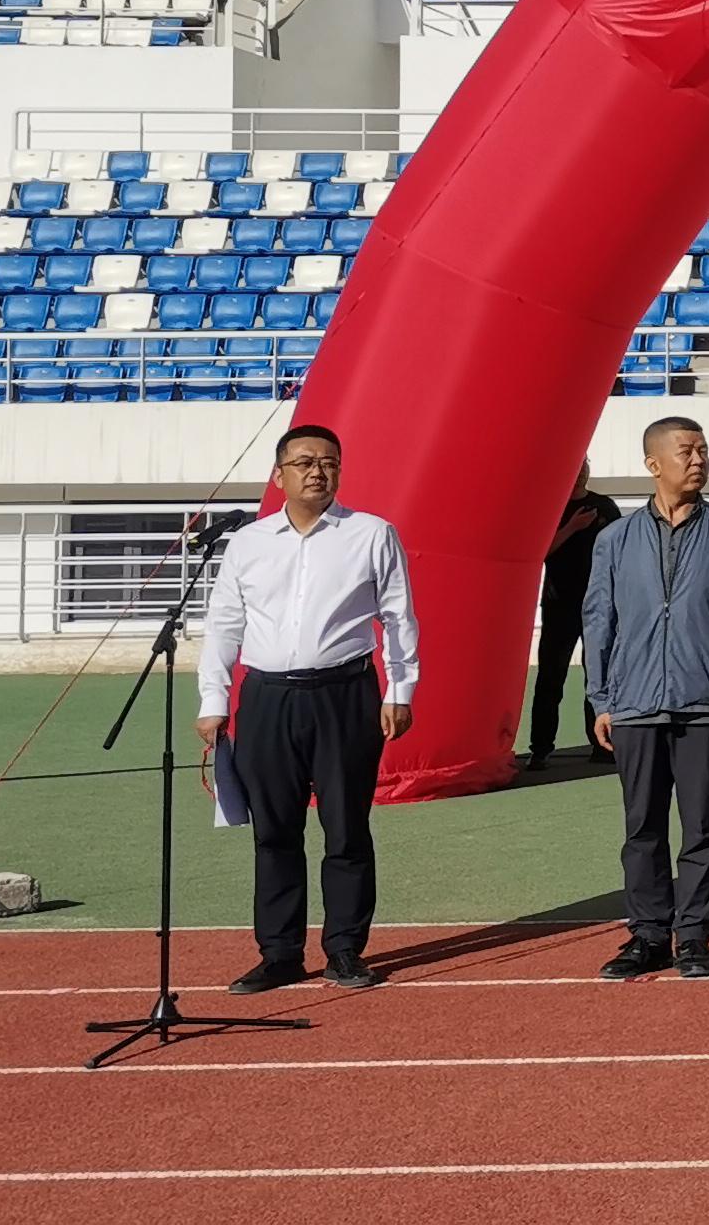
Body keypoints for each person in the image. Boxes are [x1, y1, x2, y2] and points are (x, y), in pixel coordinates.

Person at [197, 424, 417, 994]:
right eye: (304, 462)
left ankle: (345, 949)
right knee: (274, 831)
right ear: (279, 475)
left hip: (345, 695)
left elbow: (398, 617)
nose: (318, 472)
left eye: (329, 463)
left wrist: (400, 691)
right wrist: (213, 699)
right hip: (267, 698)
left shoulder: (371, 534)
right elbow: (224, 624)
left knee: (346, 827)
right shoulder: (249, 543)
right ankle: (280, 954)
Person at [584, 416, 709, 981]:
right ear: (653, 463)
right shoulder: (615, 540)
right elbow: (599, 621)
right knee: (642, 827)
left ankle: (693, 936)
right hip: (633, 704)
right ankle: (647, 935)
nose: (698, 460)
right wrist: (600, 699)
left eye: (703, 450)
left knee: (703, 825)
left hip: (704, 701)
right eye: (686, 451)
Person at [526, 466, 619, 771]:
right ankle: (540, 748)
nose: (580, 473)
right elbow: (538, 552)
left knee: (599, 677)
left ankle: (603, 745)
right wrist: (572, 527)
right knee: (550, 678)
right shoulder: (551, 507)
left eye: (584, 466)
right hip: (559, 606)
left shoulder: (604, 506)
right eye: (575, 467)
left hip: (599, 606)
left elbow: (621, 552)